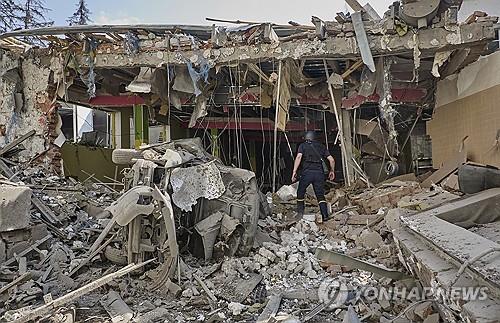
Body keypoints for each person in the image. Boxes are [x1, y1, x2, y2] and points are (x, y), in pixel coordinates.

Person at [291, 131, 335, 221]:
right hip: (319, 174)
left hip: (307, 173)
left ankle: (300, 213)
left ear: (306, 138)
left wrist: (294, 171)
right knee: (320, 195)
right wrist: (332, 171)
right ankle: (325, 215)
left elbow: (299, 157)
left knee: (300, 192)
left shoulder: (303, 146)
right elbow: (332, 160)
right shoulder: (322, 146)